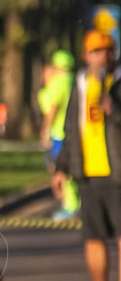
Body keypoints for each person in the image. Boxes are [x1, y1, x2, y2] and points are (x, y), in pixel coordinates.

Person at [53, 30, 121, 281]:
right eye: (95, 51)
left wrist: (114, 109)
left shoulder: (118, 82)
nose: (101, 56)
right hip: (89, 173)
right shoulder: (80, 83)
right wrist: (61, 167)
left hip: (117, 172)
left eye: (106, 50)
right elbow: (71, 128)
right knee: (93, 237)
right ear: (85, 55)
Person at [38, 50, 79, 220]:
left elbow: (52, 108)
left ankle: (71, 205)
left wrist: (45, 129)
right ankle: (74, 202)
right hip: (73, 130)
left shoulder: (59, 83)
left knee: (61, 169)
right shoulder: (74, 80)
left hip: (59, 132)